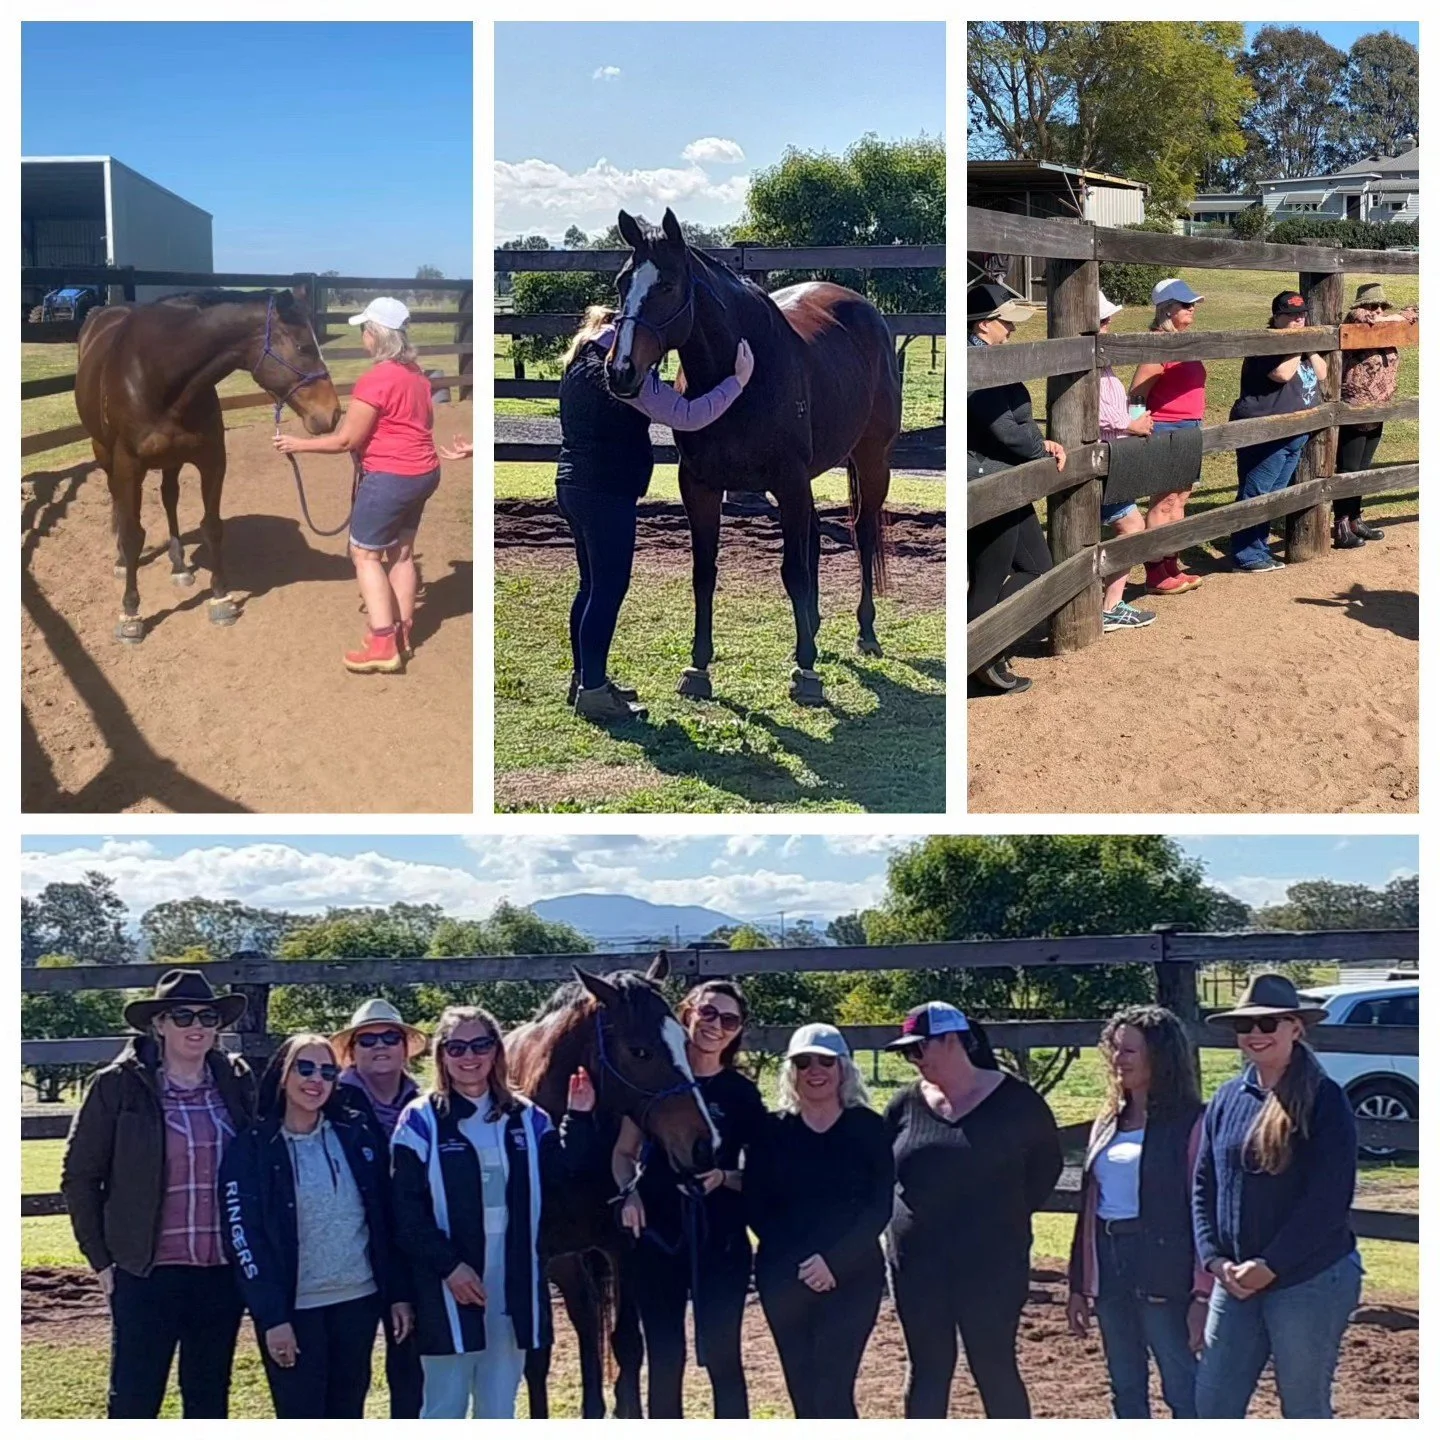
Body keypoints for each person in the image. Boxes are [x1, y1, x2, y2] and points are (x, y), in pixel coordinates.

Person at [60, 970, 256, 1419]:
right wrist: (102, 1261)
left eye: (207, 1016)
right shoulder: (117, 1085)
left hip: (219, 1269)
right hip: (146, 1270)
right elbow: (80, 1175)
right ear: (159, 1025)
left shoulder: (236, 1081)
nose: (196, 1026)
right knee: (134, 1398)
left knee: (209, 1397)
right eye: (182, 1015)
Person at [390, 1005, 598, 1418]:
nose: (469, 1056)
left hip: (514, 1280)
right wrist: (450, 1267)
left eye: (481, 1044)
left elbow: (564, 1180)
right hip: (448, 1282)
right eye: (457, 1047)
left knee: (500, 1403)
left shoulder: (529, 1118)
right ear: (441, 1055)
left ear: (496, 1051)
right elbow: (405, 1211)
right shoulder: (419, 1121)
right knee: (444, 1405)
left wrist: (579, 1118)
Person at [555, 306, 754, 722]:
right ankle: (594, 691)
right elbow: (687, 415)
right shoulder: (624, 375)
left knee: (589, 587)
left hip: (572, 484)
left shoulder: (579, 360)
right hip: (608, 491)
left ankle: (585, 678)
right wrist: (737, 382)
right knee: (608, 590)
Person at [1192, 974, 1362, 1419]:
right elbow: (1203, 1185)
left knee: (1303, 1407)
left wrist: (1272, 1264)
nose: (1254, 1034)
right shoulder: (1227, 1098)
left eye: (1268, 1024)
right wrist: (1214, 1260)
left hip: (1309, 1277)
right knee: (1212, 1405)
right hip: (1235, 1279)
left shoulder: (1325, 1100)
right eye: (1245, 1026)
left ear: (1296, 1028)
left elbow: (1328, 1199)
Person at [883, 1003, 1062, 1418]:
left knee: (993, 1365)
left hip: (991, 1265)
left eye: (919, 1048)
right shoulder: (904, 1105)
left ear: (952, 1041)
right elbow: (885, 1171)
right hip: (916, 1265)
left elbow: (1044, 1170)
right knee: (927, 1368)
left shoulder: (1017, 1102)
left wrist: (1000, 1219)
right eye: (908, 1052)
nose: (914, 1060)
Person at [219, 1034, 408, 1418]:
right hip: (295, 1308)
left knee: (347, 1411)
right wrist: (272, 1317)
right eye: (304, 1068)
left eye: (327, 1071)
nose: (315, 1079)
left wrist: (397, 1293)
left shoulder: (357, 1135)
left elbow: (387, 1222)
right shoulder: (252, 1148)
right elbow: (244, 1239)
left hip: (358, 1300)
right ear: (282, 1076)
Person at [614, 981, 767, 1418]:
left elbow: (761, 1172)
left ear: (738, 1031)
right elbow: (623, 1154)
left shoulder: (741, 1093)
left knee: (723, 1358)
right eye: (708, 1013)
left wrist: (725, 1177)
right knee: (665, 1357)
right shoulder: (656, 1079)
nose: (716, 1026)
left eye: (729, 1019)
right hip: (660, 1235)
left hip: (719, 1238)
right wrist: (629, 1194)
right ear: (688, 1013)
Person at [273, 296, 440, 674]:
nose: (363, 337)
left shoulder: (376, 379)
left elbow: (345, 440)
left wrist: (297, 444)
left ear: (375, 335)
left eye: (365, 330)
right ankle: (401, 634)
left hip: (391, 478)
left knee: (364, 555)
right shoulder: (415, 373)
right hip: (423, 472)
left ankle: (383, 644)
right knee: (401, 554)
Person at [1066, 1005, 1211, 1418]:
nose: (1118, 1059)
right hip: (1111, 1265)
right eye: (1114, 1049)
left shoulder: (1192, 1123)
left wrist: (1202, 1292)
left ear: (1159, 1056)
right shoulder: (1109, 1120)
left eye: (1129, 1050)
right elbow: (1090, 1209)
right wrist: (1079, 1283)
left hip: (1165, 1267)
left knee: (1181, 1383)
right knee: (1124, 1384)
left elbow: (1203, 1210)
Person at [744, 1024, 893, 1418]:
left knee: (834, 1390)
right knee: (802, 1389)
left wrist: (833, 1262)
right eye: (803, 1061)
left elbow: (878, 1206)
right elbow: (756, 1205)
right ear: (791, 1070)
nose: (815, 1069)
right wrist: (802, 1260)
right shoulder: (771, 1130)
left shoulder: (869, 1128)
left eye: (825, 1060)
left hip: (853, 1276)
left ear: (843, 1067)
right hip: (784, 1275)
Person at [330, 999, 430, 1417]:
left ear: (406, 1046)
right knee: (348, 1373)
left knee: (411, 1369)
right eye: (367, 1039)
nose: (380, 1045)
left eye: (391, 1037)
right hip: (351, 1250)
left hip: (410, 1248)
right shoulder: (332, 1102)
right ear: (352, 1051)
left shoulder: (427, 1104)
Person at [967, 281, 1067, 695]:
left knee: (1036, 566)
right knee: (989, 577)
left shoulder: (986, 356)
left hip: (1003, 474)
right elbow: (1001, 428)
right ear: (985, 324)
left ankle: (987, 647)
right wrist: (1037, 452)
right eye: (1006, 323)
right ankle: (979, 656)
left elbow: (1007, 426)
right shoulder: (979, 363)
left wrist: (1037, 443)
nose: (1012, 330)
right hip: (991, 478)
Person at [1228, 292, 1327, 573]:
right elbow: (1282, 374)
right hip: (1266, 429)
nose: (1299, 320)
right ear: (1276, 317)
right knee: (1256, 491)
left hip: (1295, 431)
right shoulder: (1267, 343)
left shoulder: (1303, 344)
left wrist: (1308, 347)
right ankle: (1245, 553)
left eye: (1302, 314)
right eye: (1291, 315)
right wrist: (1298, 347)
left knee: (1274, 493)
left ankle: (1258, 547)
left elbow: (1321, 372)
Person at [1129, 279, 1206, 596]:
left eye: (1193, 304)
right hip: (1166, 429)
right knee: (1163, 502)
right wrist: (1136, 425)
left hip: (1190, 427)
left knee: (1181, 498)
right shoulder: (1158, 344)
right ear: (1166, 309)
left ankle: (1172, 562)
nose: (1192, 309)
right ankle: (1155, 571)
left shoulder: (1182, 343)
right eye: (1185, 304)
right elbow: (1136, 393)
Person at [1333, 282, 1416, 548]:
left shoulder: (1387, 328)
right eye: (1372, 305)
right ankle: (1342, 523)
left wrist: (1402, 316)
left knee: (1364, 469)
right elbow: (1362, 318)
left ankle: (1356, 518)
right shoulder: (1356, 322)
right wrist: (1392, 316)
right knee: (1349, 468)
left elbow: (1417, 312)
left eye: (1381, 305)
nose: (1377, 310)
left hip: (1379, 409)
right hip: (1356, 408)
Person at [1095, 292, 1157, 632]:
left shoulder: (1101, 360)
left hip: (1113, 456)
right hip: (1105, 458)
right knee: (1132, 526)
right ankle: (1111, 605)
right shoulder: (1090, 361)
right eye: (1104, 321)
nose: (1110, 325)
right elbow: (1097, 414)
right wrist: (1130, 424)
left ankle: (1106, 601)